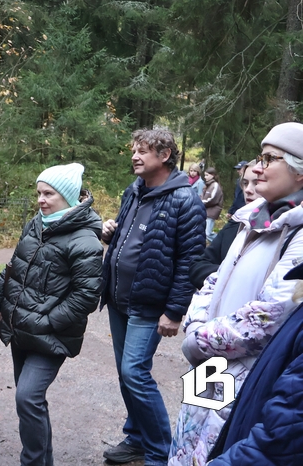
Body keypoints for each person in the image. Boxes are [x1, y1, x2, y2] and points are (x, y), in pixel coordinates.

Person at [169, 123, 303, 466]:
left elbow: (266, 318)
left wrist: (198, 340)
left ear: (300, 172)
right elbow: (214, 281)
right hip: (211, 362)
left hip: (243, 373)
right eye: (260, 157)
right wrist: (197, 325)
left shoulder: (298, 234)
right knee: (186, 440)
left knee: (210, 450)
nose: (257, 168)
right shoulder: (250, 220)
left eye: (270, 158)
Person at [99, 128, 206, 466]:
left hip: (149, 305)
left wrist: (175, 311)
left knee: (134, 373)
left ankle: (161, 452)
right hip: (119, 299)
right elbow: (129, 237)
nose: (135, 155)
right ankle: (137, 438)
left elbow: (190, 259)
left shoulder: (184, 200)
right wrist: (109, 233)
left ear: (165, 155)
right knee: (125, 373)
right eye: (134, 149)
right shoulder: (134, 191)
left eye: (144, 150)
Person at [0, 163, 103, 466]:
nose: (41, 199)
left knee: (27, 397)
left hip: (52, 335)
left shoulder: (85, 240)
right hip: (20, 329)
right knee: (32, 403)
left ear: (66, 195)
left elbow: (86, 296)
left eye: (48, 193)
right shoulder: (37, 224)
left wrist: (48, 322)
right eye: (39, 192)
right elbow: (15, 265)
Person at [205, 263, 303, 465]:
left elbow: (282, 439)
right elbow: (207, 272)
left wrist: (198, 339)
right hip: (209, 353)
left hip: (220, 350)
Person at [188, 160, 260, 291]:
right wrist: (230, 274)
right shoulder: (235, 225)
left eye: (257, 183)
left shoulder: (285, 232)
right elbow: (197, 267)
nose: (248, 190)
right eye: (245, 183)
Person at [201, 167, 224, 242]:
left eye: (207, 175)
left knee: (208, 233)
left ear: (213, 175)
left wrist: (201, 202)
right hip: (206, 211)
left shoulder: (215, 185)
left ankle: (220, 242)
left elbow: (213, 199)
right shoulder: (207, 185)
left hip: (212, 212)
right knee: (205, 232)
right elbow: (202, 196)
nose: (205, 177)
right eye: (205, 175)